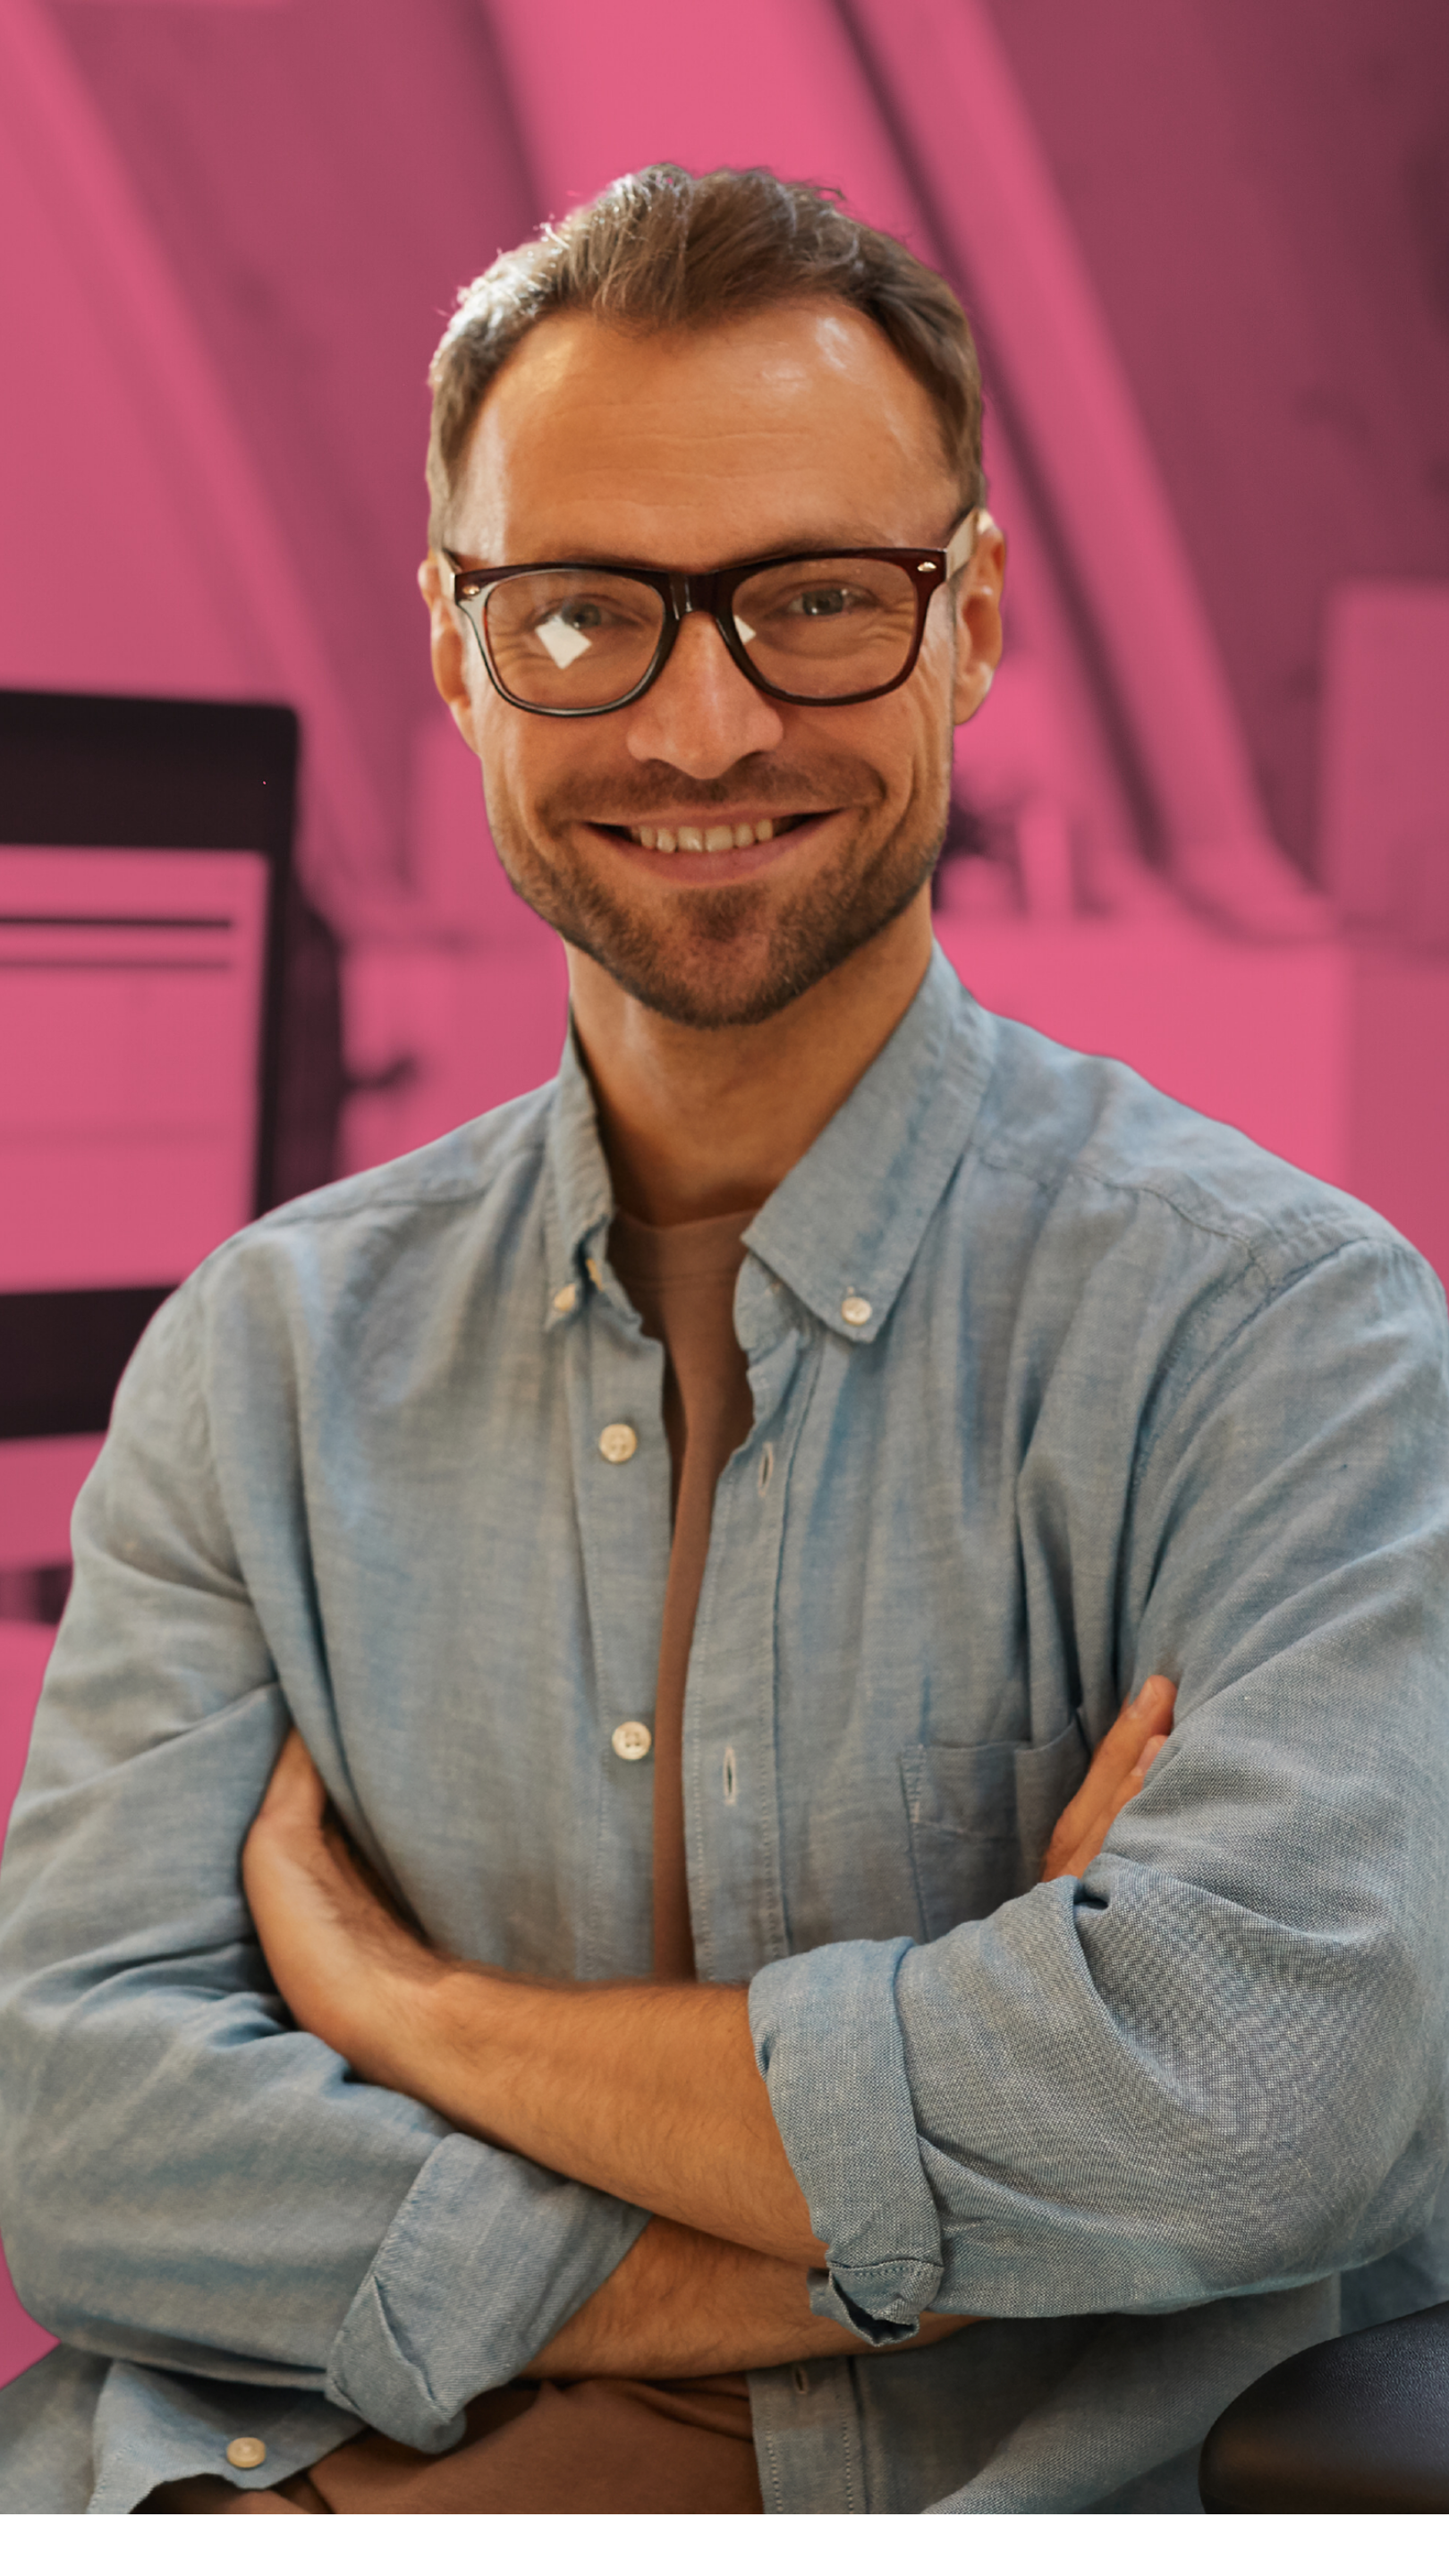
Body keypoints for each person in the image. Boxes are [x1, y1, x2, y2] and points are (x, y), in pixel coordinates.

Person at [1, 164, 1446, 2519]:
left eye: (809, 603)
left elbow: (1259, 2108)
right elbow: (83, 2143)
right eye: (582, 617)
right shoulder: (259, 1362)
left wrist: (408, 2021)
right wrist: (973, 2181)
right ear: (460, 649)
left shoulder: (1278, 1336)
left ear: (967, 622)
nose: (699, 724)